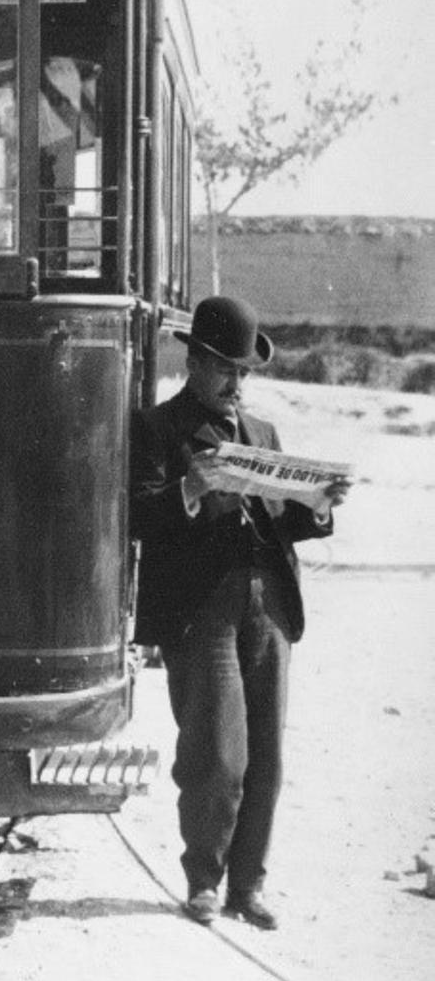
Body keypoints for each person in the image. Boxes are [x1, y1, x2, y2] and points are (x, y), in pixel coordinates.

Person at [130, 296, 351, 929]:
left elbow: (292, 522)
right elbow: (139, 518)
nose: (236, 383)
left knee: (267, 757)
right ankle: (204, 878)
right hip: (205, 610)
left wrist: (321, 504)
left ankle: (247, 886)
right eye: (225, 369)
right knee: (216, 754)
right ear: (194, 362)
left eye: (245, 372)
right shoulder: (158, 429)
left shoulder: (266, 436)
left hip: (270, 608)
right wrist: (192, 488)